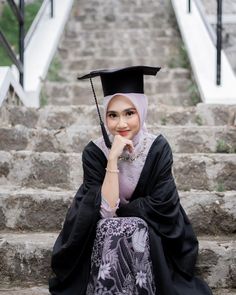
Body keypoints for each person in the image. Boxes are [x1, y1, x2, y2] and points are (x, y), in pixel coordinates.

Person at [49, 66, 213, 295]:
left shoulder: (157, 148)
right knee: (110, 226)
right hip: (102, 236)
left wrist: (124, 213)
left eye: (129, 113)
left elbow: (162, 205)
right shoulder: (95, 152)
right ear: (104, 116)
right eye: (112, 115)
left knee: (131, 227)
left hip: (153, 235)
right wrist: (113, 160)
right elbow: (104, 211)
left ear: (142, 111)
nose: (121, 124)